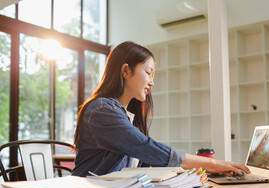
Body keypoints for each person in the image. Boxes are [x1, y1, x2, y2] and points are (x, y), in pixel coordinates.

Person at [72, 41, 250, 177]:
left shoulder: (125, 115)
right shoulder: (102, 110)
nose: (152, 81)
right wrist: (210, 164)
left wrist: (190, 173)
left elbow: (144, 163)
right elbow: (147, 148)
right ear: (126, 71)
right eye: (148, 72)